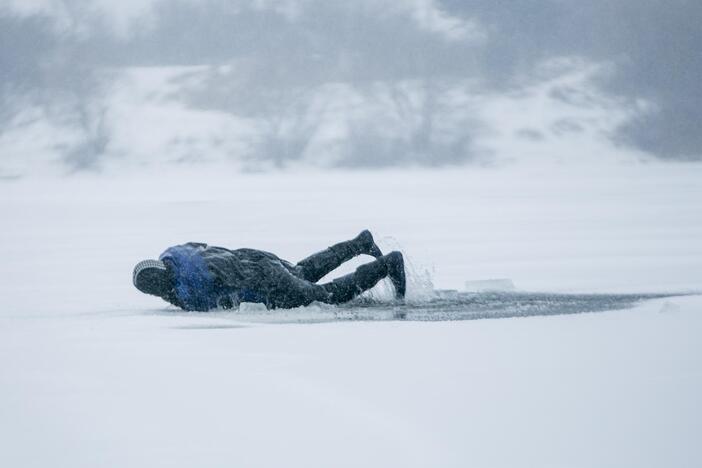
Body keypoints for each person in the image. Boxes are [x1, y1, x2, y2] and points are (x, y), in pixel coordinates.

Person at [132, 230, 406, 311]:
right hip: (256, 258)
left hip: (263, 280)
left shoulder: (186, 290)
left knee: (323, 296)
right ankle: (360, 243)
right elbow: (201, 244)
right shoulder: (175, 253)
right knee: (302, 272)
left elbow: (218, 303)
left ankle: (387, 264)